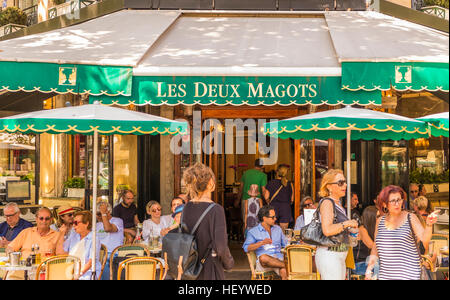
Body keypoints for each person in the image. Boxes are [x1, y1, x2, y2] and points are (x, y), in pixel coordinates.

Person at [365, 185, 439, 280]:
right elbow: (375, 248)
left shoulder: (410, 218)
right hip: (386, 276)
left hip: (409, 275)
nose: (397, 204)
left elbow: (425, 239)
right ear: (384, 204)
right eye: (393, 201)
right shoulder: (380, 221)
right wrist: (369, 269)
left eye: (399, 200)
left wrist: (429, 225)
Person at [181, 162, 234, 280]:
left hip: (191, 268)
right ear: (210, 182)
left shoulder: (186, 207)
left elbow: (184, 237)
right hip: (210, 267)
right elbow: (220, 247)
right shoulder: (217, 210)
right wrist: (229, 263)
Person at [314, 169, 358, 280]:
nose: (345, 185)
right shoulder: (327, 203)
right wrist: (347, 223)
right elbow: (327, 230)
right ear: (329, 186)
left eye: (345, 182)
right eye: (340, 183)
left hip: (338, 255)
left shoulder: (337, 204)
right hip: (330, 255)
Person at [7, 207, 61, 280]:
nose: (44, 221)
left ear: (51, 220)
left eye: (47, 219)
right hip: (22, 270)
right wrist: (13, 257)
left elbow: (61, 257)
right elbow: (10, 248)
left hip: (43, 272)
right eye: (41, 218)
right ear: (36, 219)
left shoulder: (57, 236)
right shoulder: (26, 232)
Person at [243, 205, 288, 280]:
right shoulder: (253, 232)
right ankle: (289, 266)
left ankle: (286, 266)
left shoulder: (278, 229)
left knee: (284, 271)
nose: (275, 219)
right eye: (273, 217)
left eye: (275, 216)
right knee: (263, 258)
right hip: (264, 264)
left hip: (278, 260)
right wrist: (261, 243)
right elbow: (246, 248)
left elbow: (286, 245)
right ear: (264, 218)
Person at [56, 210, 101, 280]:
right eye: (73, 222)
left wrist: (78, 274)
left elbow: (90, 263)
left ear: (86, 223)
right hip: (71, 270)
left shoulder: (94, 239)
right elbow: (60, 253)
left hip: (86, 274)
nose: (73, 225)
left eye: (76, 223)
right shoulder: (74, 235)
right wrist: (61, 234)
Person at [96, 201, 124, 280]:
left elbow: (108, 228)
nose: (97, 216)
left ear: (108, 212)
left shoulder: (118, 221)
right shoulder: (97, 225)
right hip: (99, 254)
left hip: (112, 254)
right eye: (97, 214)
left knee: (105, 261)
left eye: (99, 214)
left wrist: (103, 214)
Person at [264, 164, 294, 231]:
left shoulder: (271, 183)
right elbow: (292, 199)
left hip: (273, 208)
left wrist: (269, 202)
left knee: (274, 231)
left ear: (277, 172)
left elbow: (266, 197)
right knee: (283, 232)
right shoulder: (290, 184)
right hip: (285, 208)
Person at [352, 205, 379, 277]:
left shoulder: (372, 230)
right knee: (381, 268)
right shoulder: (362, 229)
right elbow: (372, 245)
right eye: (378, 216)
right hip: (358, 264)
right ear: (372, 218)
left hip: (367, 263)